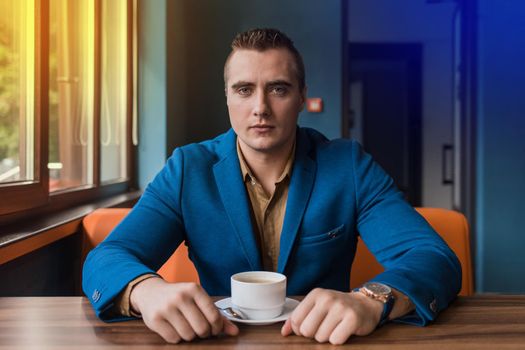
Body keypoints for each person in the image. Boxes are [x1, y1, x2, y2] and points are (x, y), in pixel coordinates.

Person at [83, 28, 461, 345]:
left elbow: (434, 258)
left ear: (300, 98)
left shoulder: (347, 165)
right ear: (228, 97)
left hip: (322, 343)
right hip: (218, 341)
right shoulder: (188, 169)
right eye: (244, 90)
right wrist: (147, 292)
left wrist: (370, 300)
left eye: (278, 89)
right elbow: (106, 258)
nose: (260, 107)